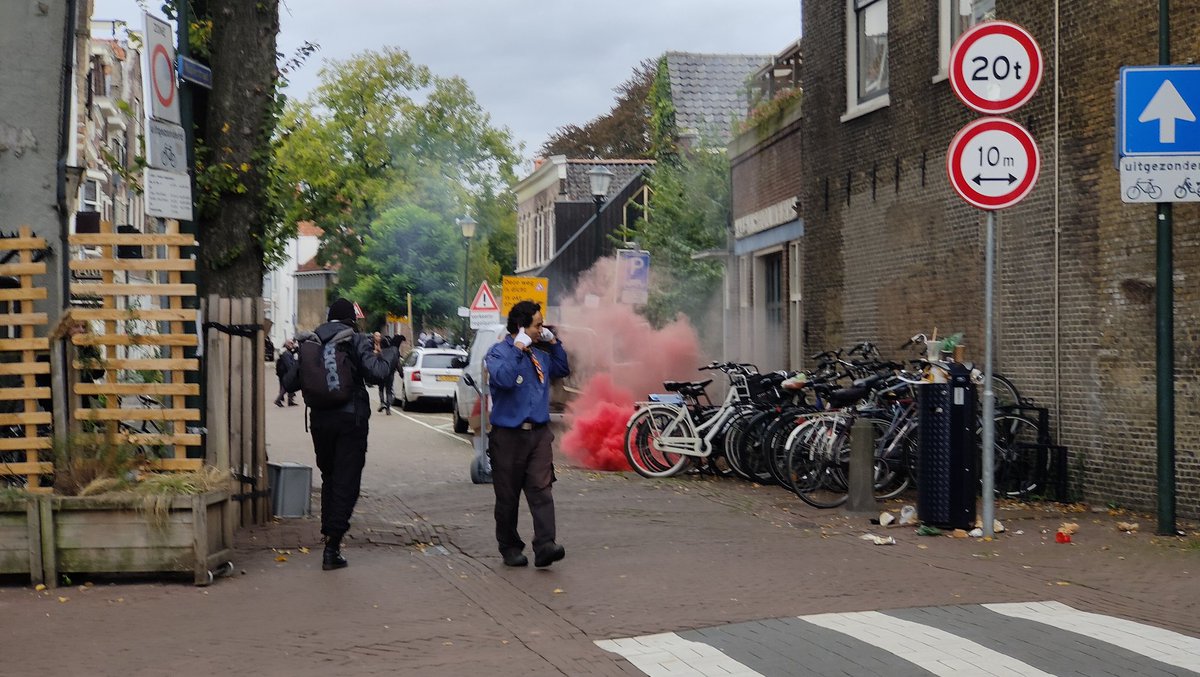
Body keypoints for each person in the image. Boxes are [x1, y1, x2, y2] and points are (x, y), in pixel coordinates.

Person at [287, 298, 398, 571]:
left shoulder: (311, 341)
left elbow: (291, 381)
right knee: (347, 483)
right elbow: (378, 374)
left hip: (320, 421)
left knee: (330, 478)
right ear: (352, 319)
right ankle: (332, 546)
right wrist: (392, 350)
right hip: (351, 420)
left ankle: (329, 536)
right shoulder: (356, 339)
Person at [484, 300, 570, 568]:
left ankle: (545, 545)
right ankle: (509, 547)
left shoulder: (541, 353)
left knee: (542, 490)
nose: (540, 329)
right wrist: (518, 349)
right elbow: (505, 379)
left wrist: (554, 342)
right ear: (521, 327)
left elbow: (563, 368)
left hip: (538, 435)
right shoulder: (498, 353)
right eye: (538, 325)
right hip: (508, 436)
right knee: (507, 497)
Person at [273, 339, 297, 407]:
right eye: (291, 344)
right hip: (285, 373)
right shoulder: (286, 353)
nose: (293, 345)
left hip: (283, 373)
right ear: (288, 344)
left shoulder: (287, 352)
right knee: (285, 387)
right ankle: (278, 400)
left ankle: (290, 400)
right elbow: (288, 364)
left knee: (289, 386)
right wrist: (293, 370)